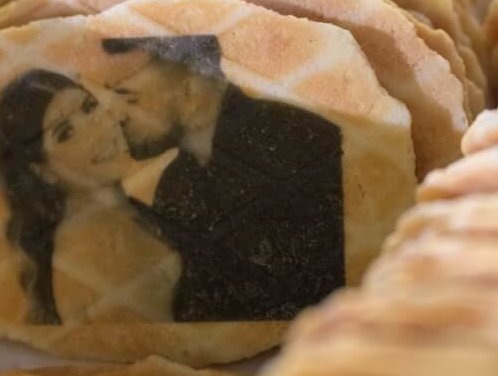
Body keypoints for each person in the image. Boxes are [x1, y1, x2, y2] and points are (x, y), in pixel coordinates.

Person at [99, 35, 346, 322]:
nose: (114, 115)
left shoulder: (299, 142)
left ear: (190, 89)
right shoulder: (176, 182)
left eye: (129, 98)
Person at [0, 69, 180, 325]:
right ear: (43, 171)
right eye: (66, 132)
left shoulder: (128, 215)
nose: (97, 128)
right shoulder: (88, 257)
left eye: (90, 107)